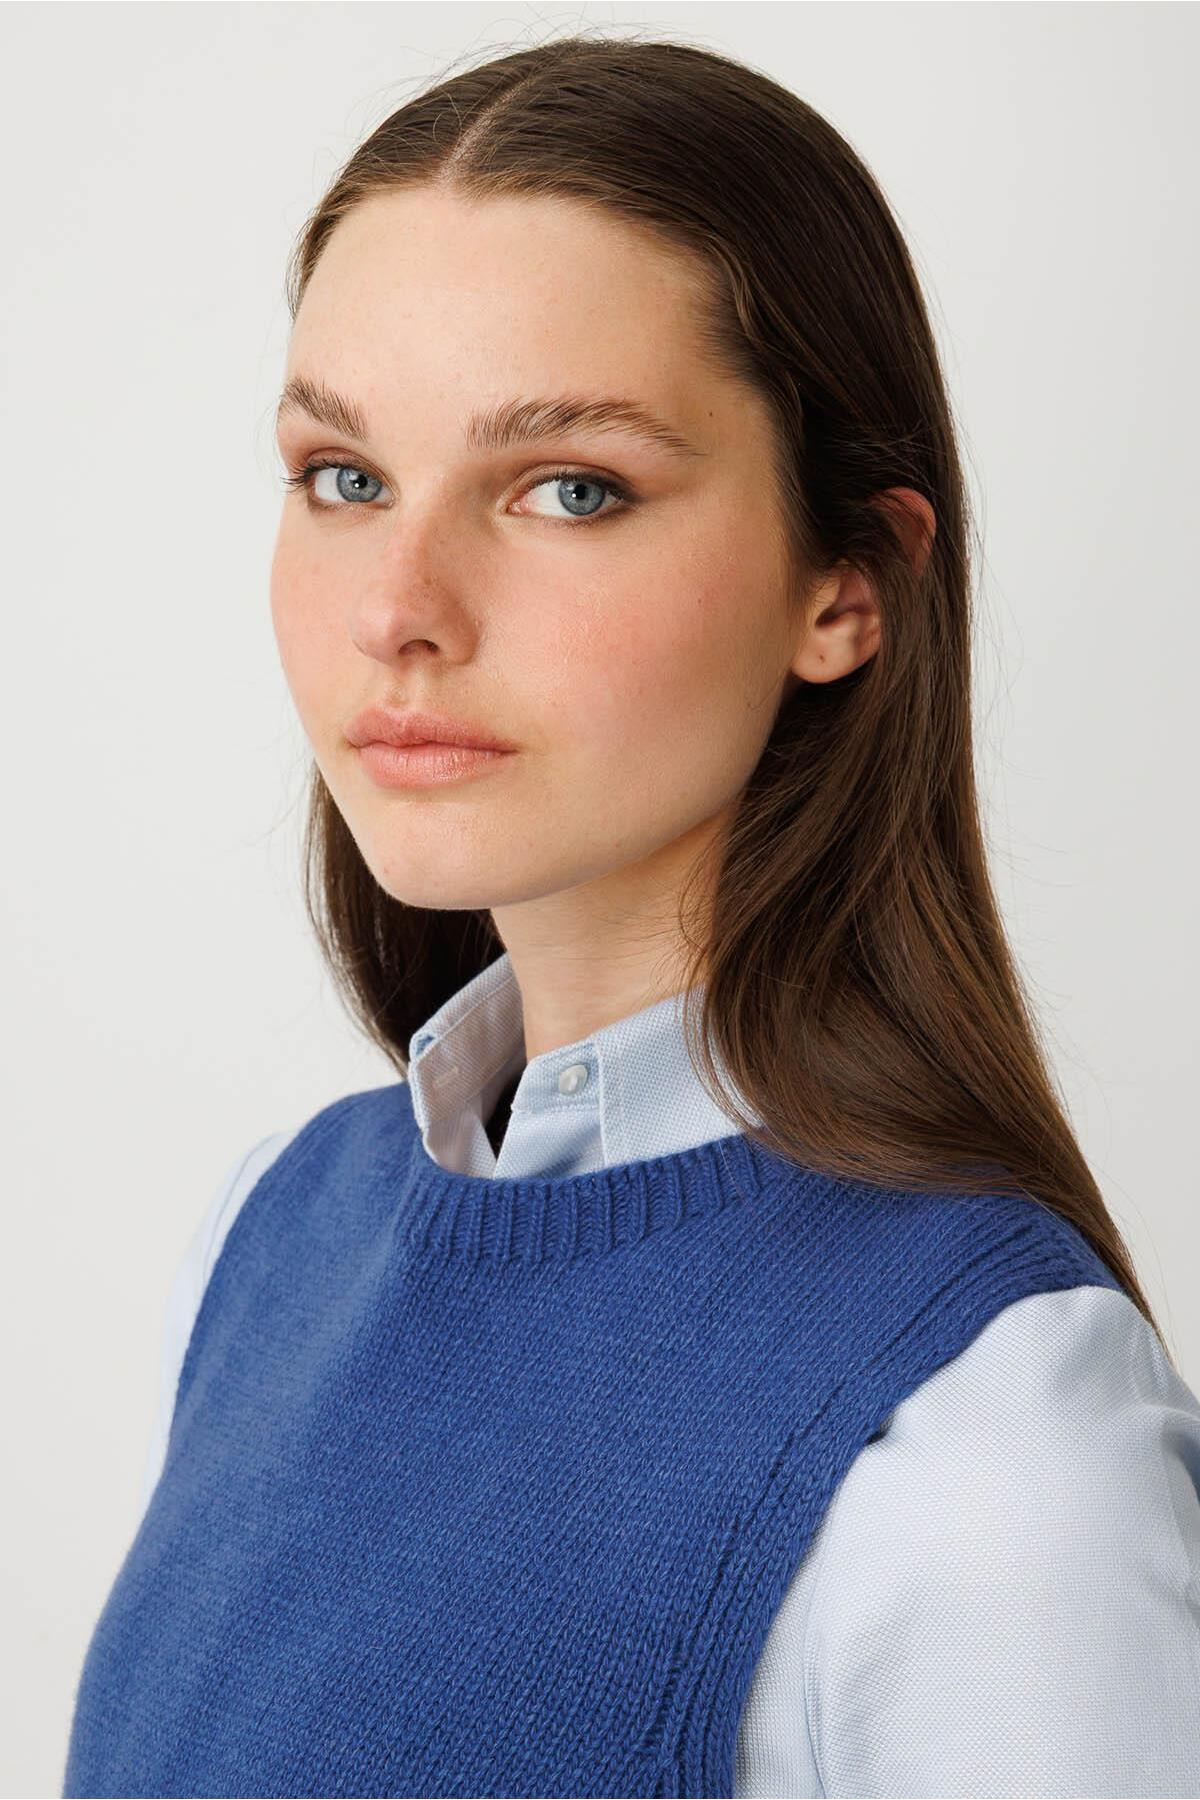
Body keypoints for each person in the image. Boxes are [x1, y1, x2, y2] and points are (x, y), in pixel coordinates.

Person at [63, 34, 1200, 1800]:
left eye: (569, 488)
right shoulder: (271, 1240)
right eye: (344, 476)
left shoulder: (987, 1450)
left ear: (847, 585)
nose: (398, 610)